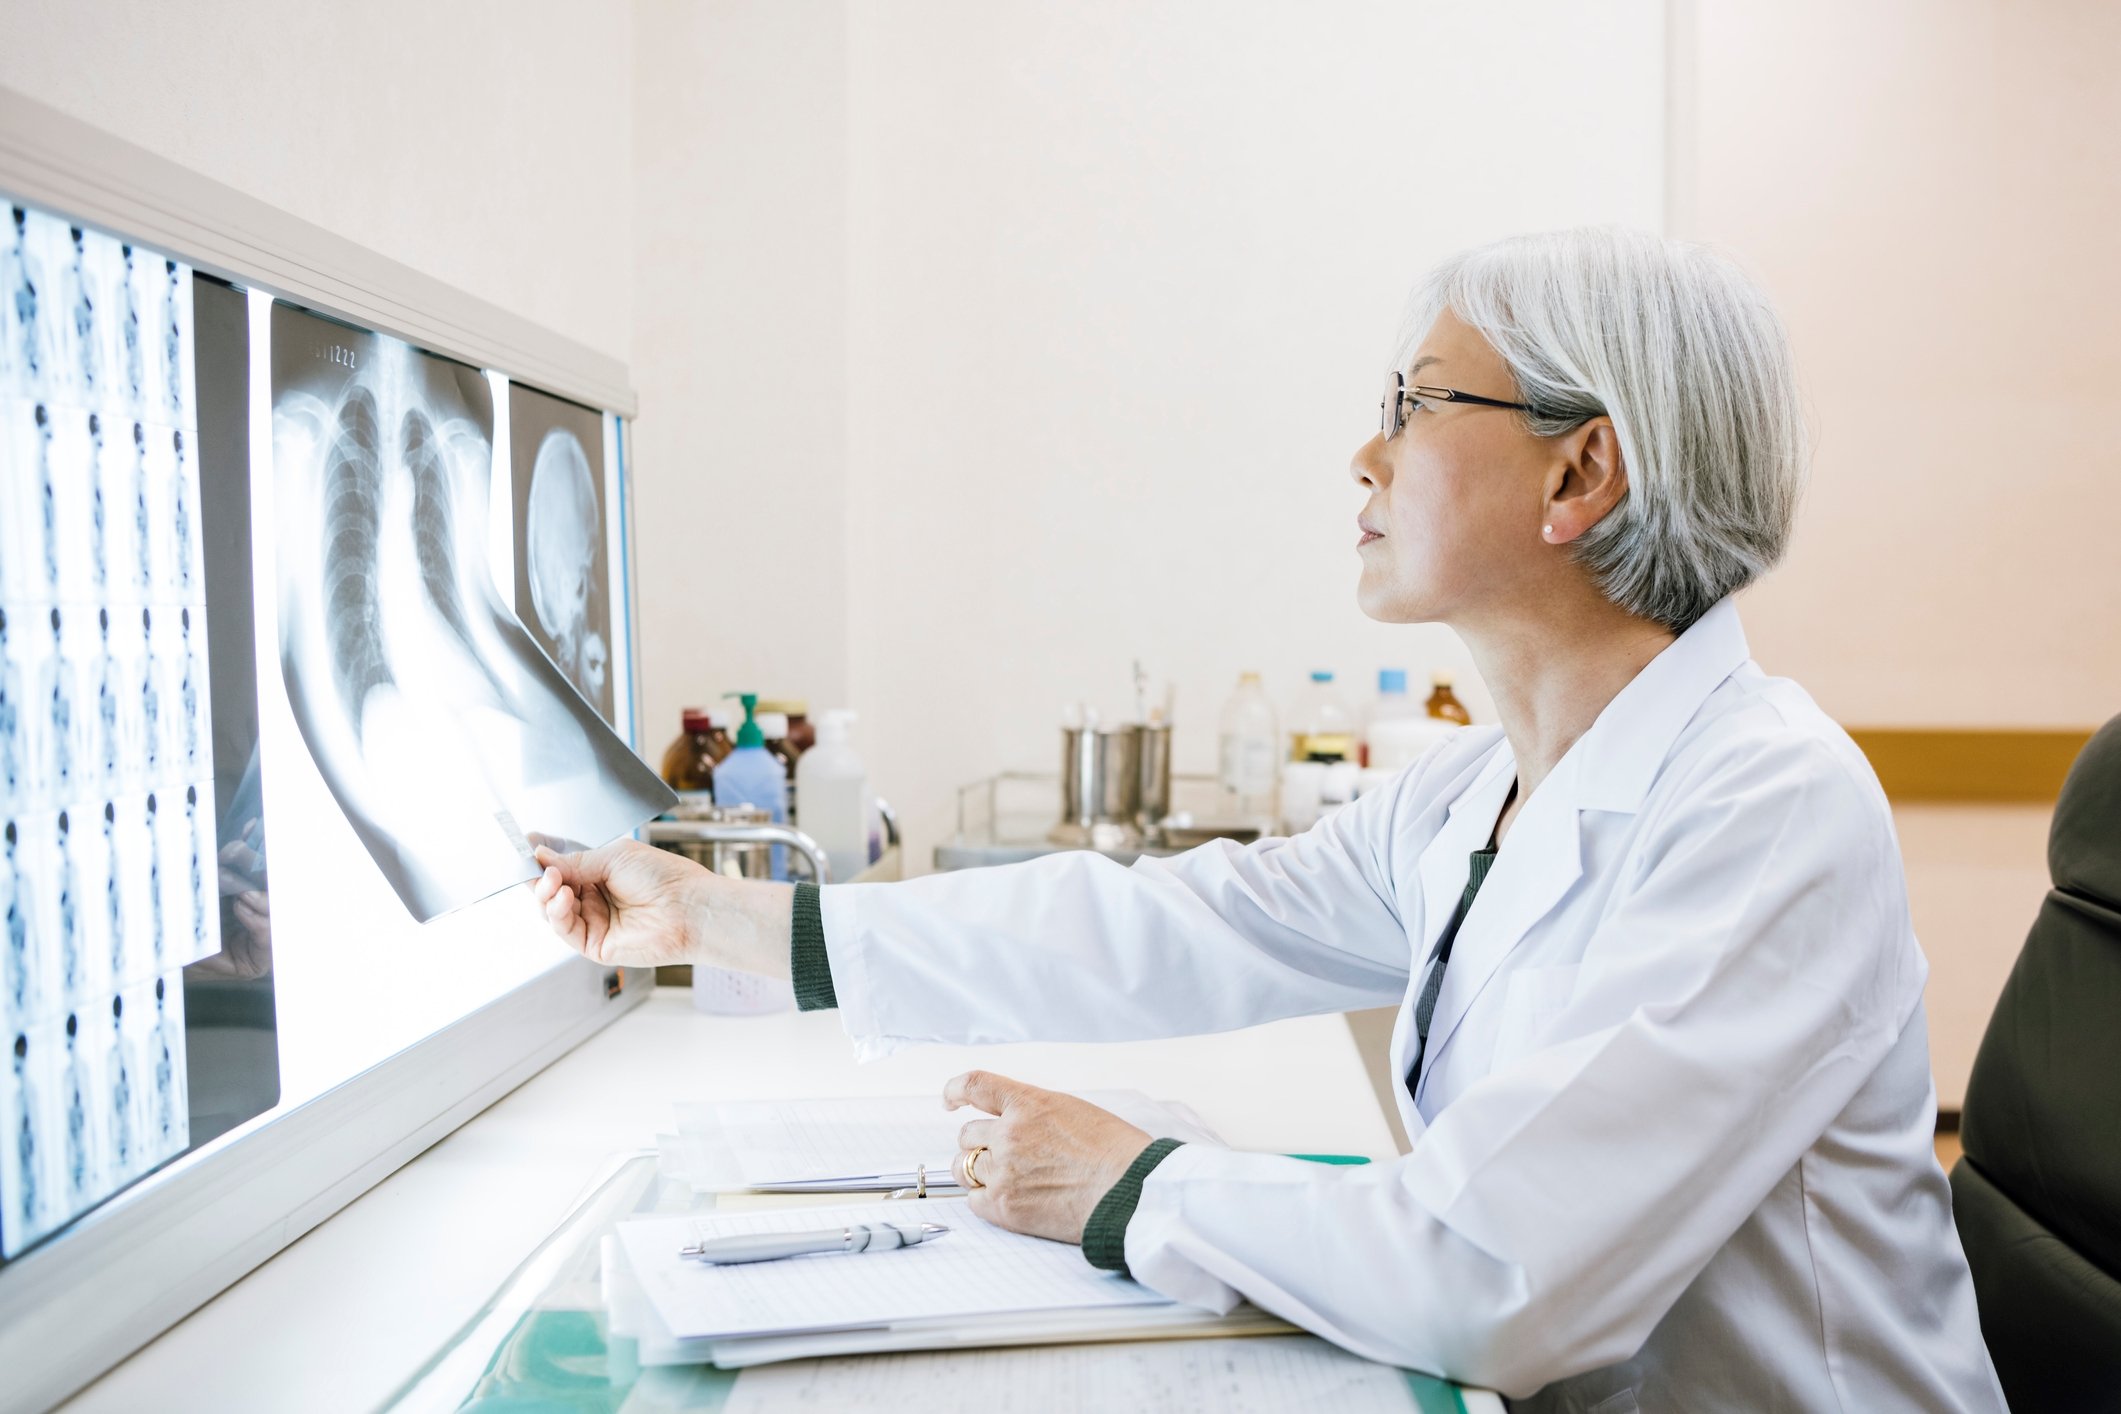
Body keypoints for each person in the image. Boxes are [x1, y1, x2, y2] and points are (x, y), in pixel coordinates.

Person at [532, 228, 2005, 1411]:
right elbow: (1180, 918)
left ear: (1579, 472)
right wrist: (732, 918)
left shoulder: (1768, 806)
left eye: (1413, 408)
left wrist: (1125, 1186)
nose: (1364, 459)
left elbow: (1500, 1274)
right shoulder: (1473, 791)